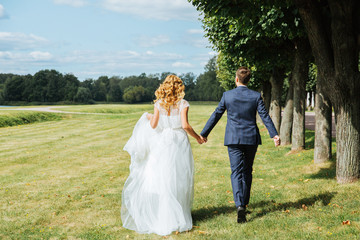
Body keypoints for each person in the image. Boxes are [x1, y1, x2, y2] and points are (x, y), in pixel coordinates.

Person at [121, 75, 204, 236]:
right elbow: (185, 125)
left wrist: (149, 117)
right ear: (179, 86)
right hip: (179, 141)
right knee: (179, 177)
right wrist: (198, 137)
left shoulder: (159, 104)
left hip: (163, 142)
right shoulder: (183, 104)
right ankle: (176, 215)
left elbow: (153, 125)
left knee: (164, 177)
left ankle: (164, 215)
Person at [200, 67, 280, 223]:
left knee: (236, 172)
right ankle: (244, 203)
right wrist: (274, 134)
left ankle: (240, 206)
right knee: (247, 171)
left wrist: (204, 133)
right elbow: (264, 115)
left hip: (234, 138)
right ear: (248, 80)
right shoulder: (256, 96)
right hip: (251, 138)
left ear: (236, 79)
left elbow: (216, 114)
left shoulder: (227, 95)